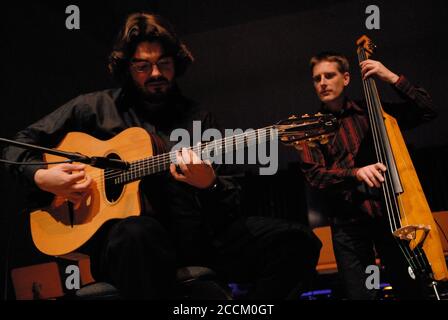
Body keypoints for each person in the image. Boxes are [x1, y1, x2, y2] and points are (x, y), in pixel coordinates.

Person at [2, 12, 321, 299]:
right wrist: (43, 176)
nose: (155, 73)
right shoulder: (93, 108)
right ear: (127, 68)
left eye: (163, 63)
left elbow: (230, 206)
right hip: (127, 245)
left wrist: (209, 184)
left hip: (195, 240)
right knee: (135, 232)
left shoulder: (199, 119)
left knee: (297, 241)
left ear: (176, 63)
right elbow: (17, 146)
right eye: (143, 66)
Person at [295, 51, 437, 299]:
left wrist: (390, 77)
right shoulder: (311, 127)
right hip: (348, 227)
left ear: (347, 78)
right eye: (317, 79)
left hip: (390, 219)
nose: (323, 83)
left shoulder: (370, 111)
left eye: (329, 76)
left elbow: (427, 110)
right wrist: (356, 173)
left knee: (412, 291)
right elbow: (316, 176)